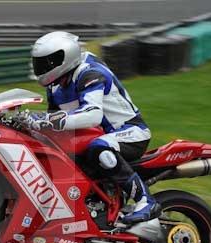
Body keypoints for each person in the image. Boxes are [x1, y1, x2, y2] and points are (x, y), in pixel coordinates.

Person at [26, 31, 160, 224]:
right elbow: (55, 122)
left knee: (100, 147)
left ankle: (146, 200)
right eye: (39, 62)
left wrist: (48, 120)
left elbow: (92, 115)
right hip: (97, 137)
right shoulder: (55, 86)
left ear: (65, 58)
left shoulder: (90, 73)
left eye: (47, 62)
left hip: (130, 132)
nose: (41, 68)